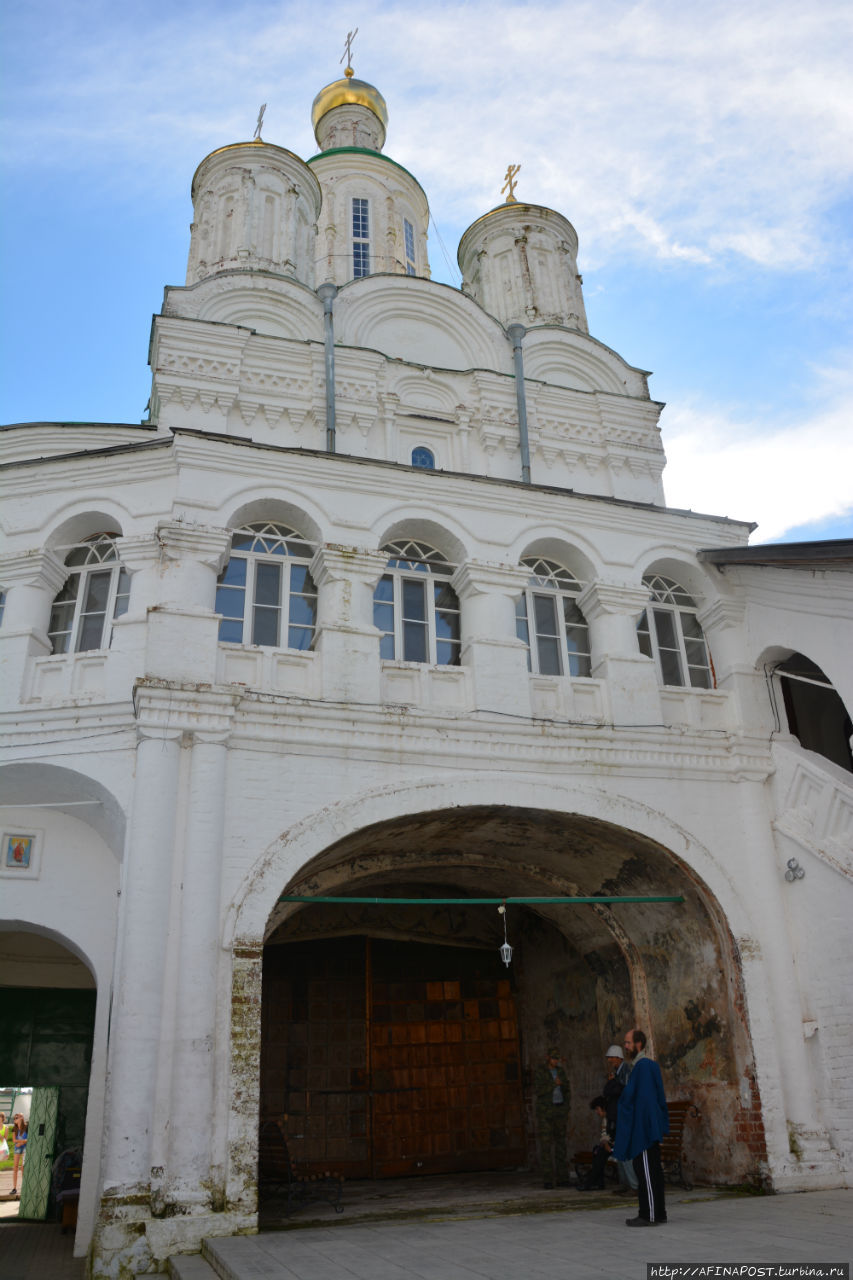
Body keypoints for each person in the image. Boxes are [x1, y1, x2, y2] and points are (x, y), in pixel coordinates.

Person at [613, 1028, 669, 1227]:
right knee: (651, 1170)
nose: (626, 1047)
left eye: (628, 1043)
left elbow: (642, 1100)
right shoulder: (645, 1066)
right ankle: (657, 1212)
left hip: (643, 1129)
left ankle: (649, 1214)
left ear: (638, 1044)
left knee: (645, 1171)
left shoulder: (643, 1067)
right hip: (646, 1126)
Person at [534, 1046, 570, 1189]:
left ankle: (563, 1178)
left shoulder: (561, 1072)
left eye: (557, 1059)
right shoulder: (541, 1072)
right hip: (545, 1113)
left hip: (559, 1111)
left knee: (561, 1145)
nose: (555, 1061)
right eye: (553, 1058)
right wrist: (552, 1084)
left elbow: (567, 1089)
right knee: (546, 1146)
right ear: (548, 1058)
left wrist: (566, 1107)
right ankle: (548, 1179)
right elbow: (539, 1090)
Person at [11, 1113, 27, 1198]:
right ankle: (14, 1188)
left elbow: (29, 1139)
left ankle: (24, 1188)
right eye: (15, 1118)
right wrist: (20, 1142)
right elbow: (14, 1140)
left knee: (23, 1167)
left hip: (24, 1147)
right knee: (15, 1167)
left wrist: (21, 1142)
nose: (15, 1119)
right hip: (17, 1148)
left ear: (22, 1118)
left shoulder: (26, 1127)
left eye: (17, 1117)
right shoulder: (14, 1128)